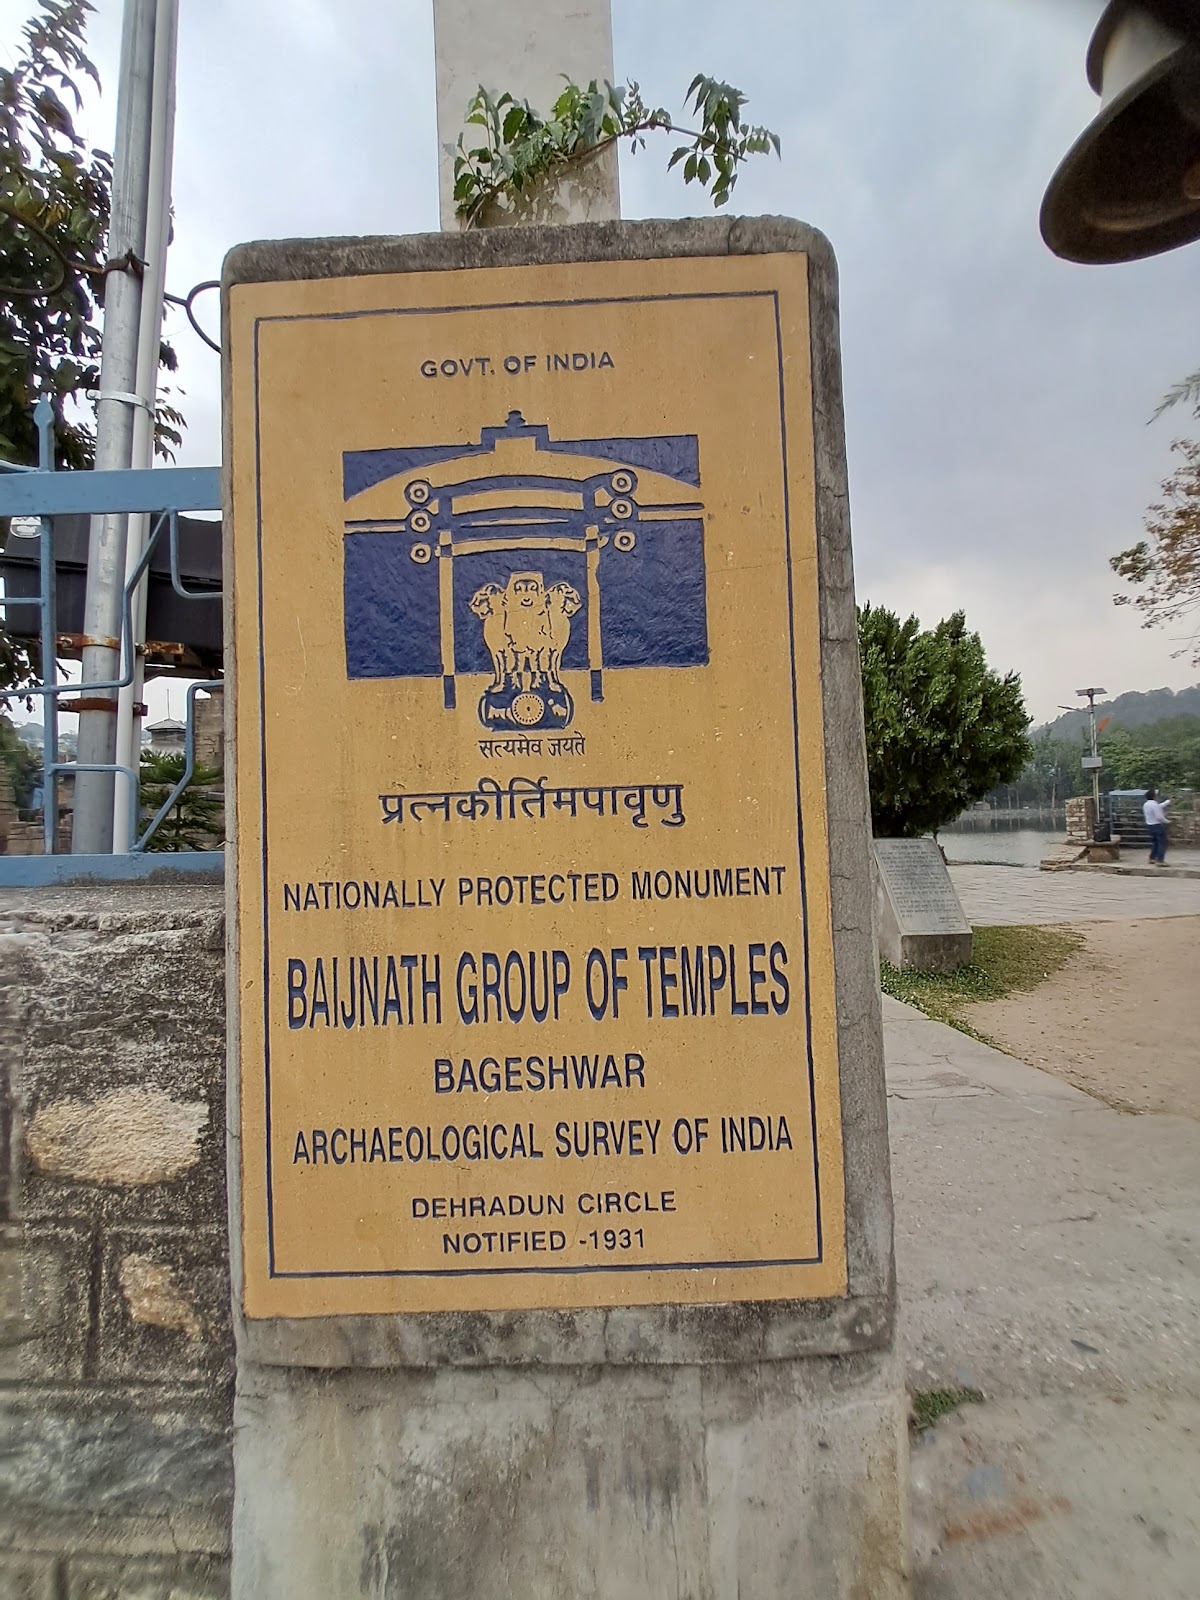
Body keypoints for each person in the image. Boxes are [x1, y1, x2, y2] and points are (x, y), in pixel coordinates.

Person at [1142, 786, 1171, 865]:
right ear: (1154, 796)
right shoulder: (1154, 804)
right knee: (1162, 843)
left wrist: (1168, 801)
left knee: (1156, 843)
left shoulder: (1146, 804)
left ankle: (1152, 858)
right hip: (1157, 825)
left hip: (1150, 825)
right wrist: (1167, 821)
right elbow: (1159, 816)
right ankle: (1160, 860)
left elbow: (1159, 806)